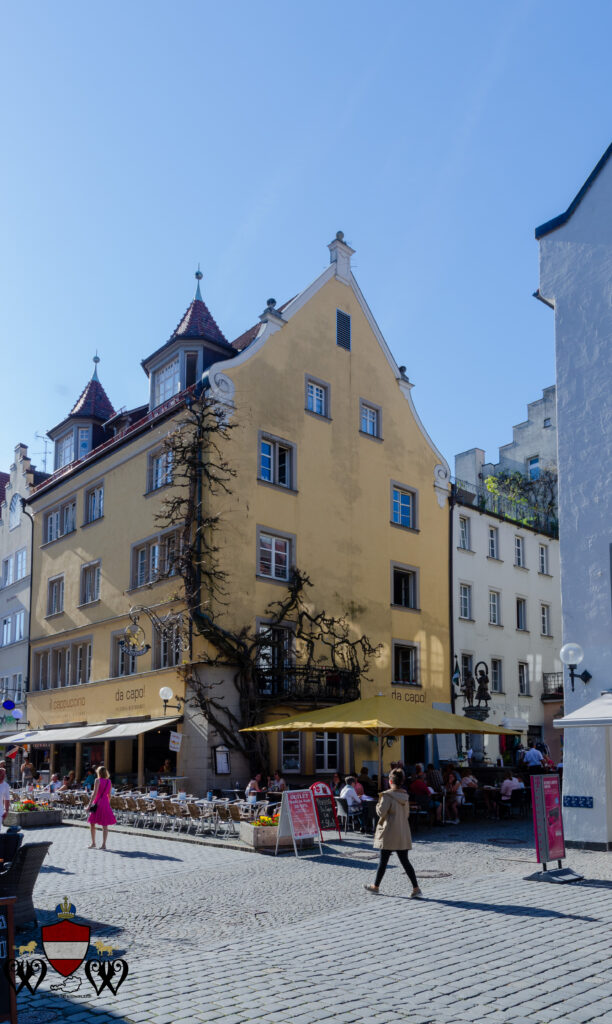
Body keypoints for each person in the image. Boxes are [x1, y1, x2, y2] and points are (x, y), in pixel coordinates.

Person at [364, 767, 422, 898]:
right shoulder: (405, 796)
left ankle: (376, 886)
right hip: (402, 831)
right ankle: (416, 888)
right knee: (405, 861)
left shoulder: (387, 795)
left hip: (389, 832)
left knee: (383, 861)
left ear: (390, 781)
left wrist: (378, 803)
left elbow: (380, 812)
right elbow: (406, 814)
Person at [87, 766, 116, 850]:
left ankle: (93, 843)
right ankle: (104, 844)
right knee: (105, 825)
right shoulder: (109, 781)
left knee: (92, 823)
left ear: (98, 773)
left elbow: (94, 794)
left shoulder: (97, 780)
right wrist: (107, 804)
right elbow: (109, 795)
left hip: (97, 803)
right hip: (105, 803)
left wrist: (89, 805)